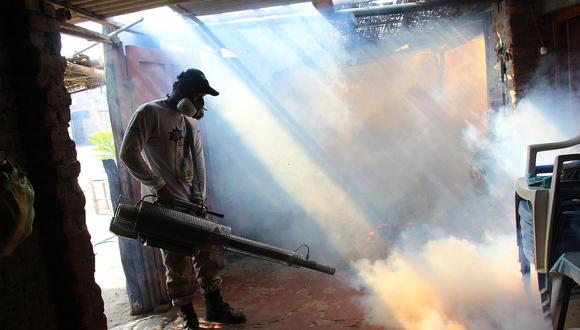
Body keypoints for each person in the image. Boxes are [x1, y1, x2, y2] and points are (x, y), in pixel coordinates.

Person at [120, 68, 246, 329]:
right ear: (178, 88)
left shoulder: (190, 121)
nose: (199, 100)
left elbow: (198, 162)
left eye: (202, 95)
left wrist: (200, 197)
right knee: (177, 264)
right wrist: (158, 185)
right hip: (164, 204)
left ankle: (214, 306)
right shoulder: (149, 113)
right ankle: (188, 316)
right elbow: (128, 153)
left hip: (191, 202)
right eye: (195, 93)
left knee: (207, 255)